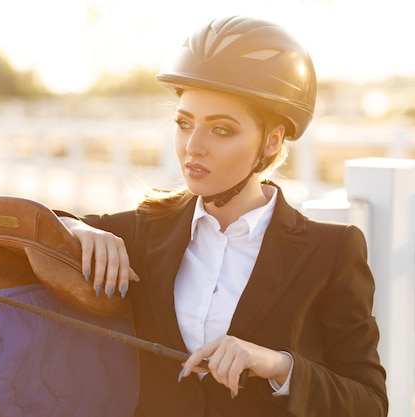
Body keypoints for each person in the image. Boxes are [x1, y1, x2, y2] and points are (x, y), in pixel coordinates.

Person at [57, 15, 388, 417]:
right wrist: (74, 227)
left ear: (271, 142)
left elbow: (370, 402)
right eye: (184, 124)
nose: (192, 147)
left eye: (221, 130)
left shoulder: (332, 250)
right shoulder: (144, 228)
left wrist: (276, 364)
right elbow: (5, 223)